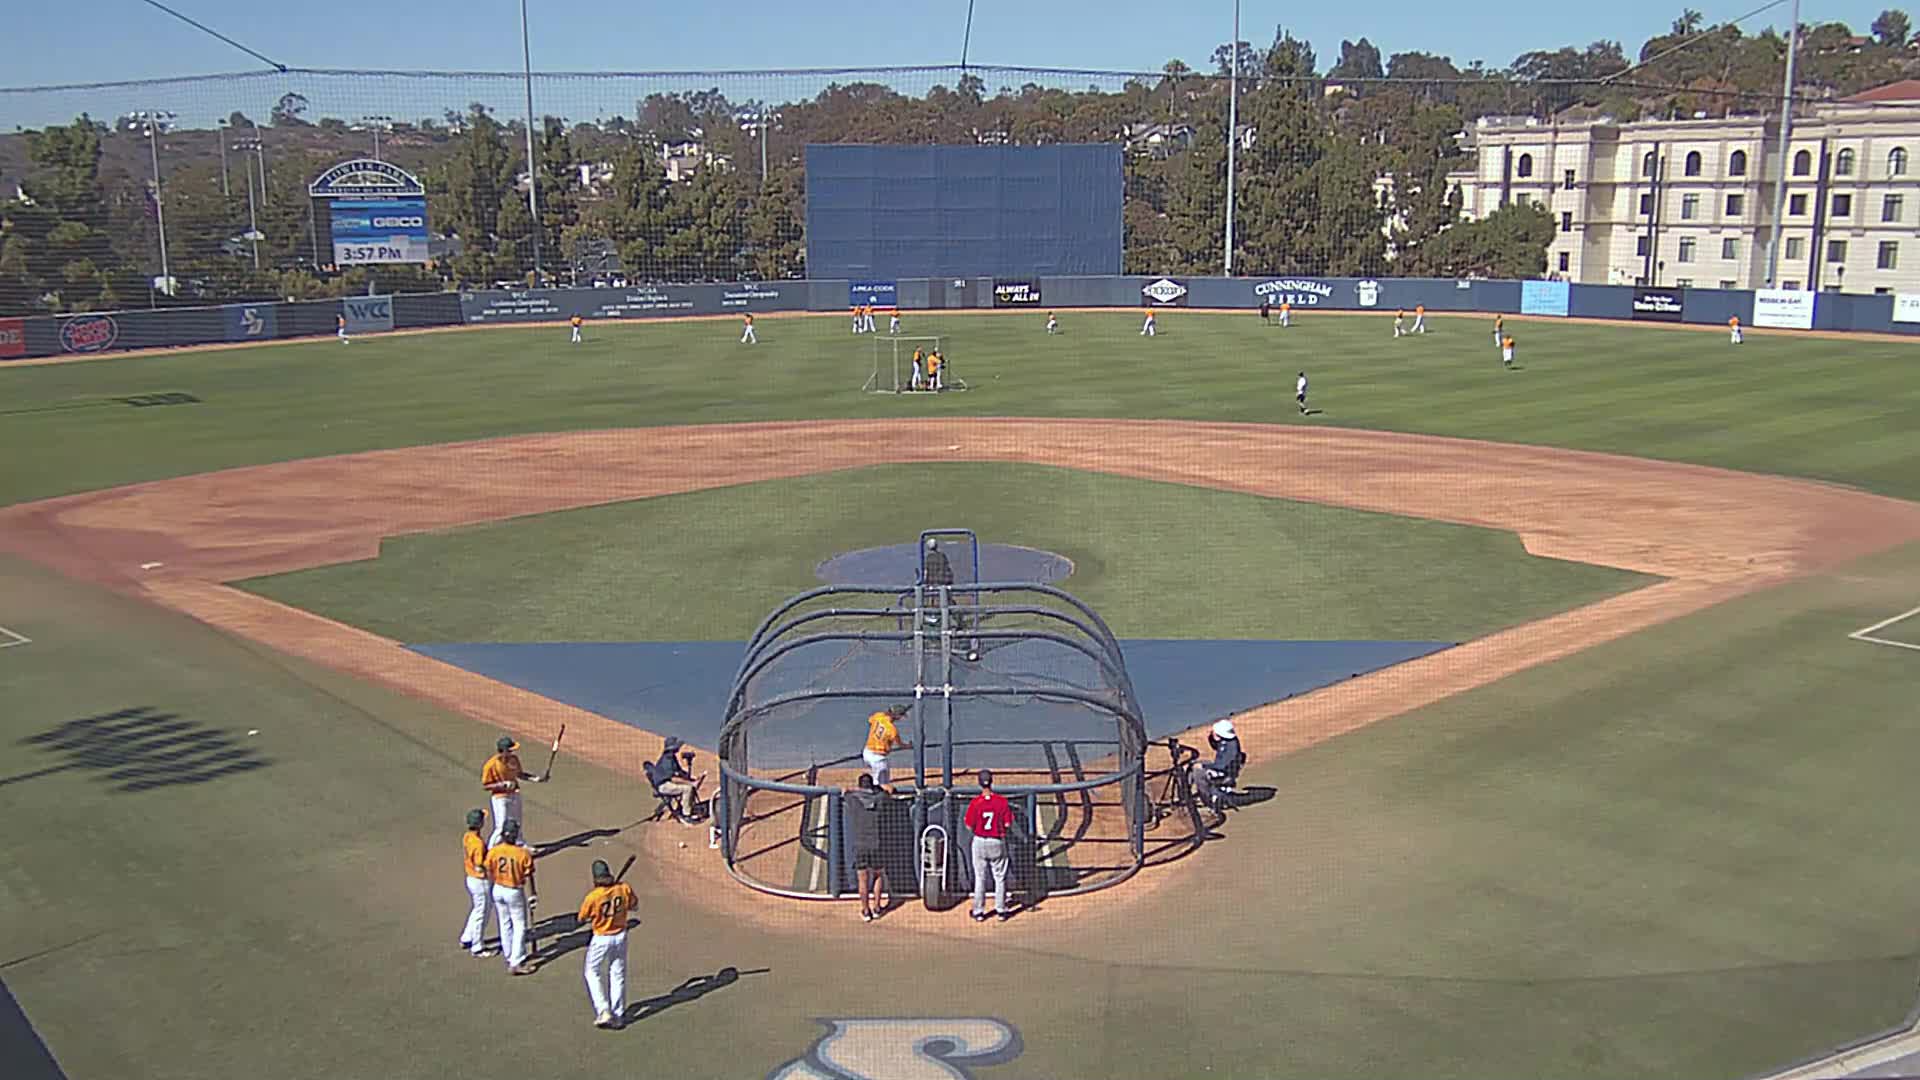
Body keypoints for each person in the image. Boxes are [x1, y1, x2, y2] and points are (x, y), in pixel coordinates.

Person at [577, 859, 637, 1029]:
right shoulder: (624, 888)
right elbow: (634, 905)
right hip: (620, 936)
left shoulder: (593, 896)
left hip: (601, 938)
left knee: (591, 972)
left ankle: (603, 1009)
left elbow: (581, 918)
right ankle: (618, 1015)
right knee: (617, 973)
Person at [489, 819, 537, 975]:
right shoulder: (522, 854)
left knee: (504, 923)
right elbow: (529, 875)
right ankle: (516, 962)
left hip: (497, 888)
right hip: (514, 890)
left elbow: (488, 868)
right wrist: (533, 894)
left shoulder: (494, 851)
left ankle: (509, 954)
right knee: (519, 925)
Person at [965, 769, 1014, 922]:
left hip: (979, 841)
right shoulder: (1001, 802)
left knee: (980, 878)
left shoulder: (976, 803)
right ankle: (1001, 911)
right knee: (1000, 877)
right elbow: (1007, 823)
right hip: (996, 841)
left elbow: (968, 825)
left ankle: (978, 912)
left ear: (979, 783)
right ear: (992, 782)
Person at [482, 735, 546, 847]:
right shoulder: (490, 765)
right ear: (503, 751)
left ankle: (520, 844)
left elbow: (520, 774)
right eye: (510, 750)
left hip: (514, 795)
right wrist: (502, 785)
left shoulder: (514, 759)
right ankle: (490, 850)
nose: (513, 752)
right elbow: (486, 786)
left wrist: (537, 779)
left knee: (517, 823)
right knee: (501, 826)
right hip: (499, 798)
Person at [846, 775, 890, 921]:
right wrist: (881, 788)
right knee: (878, 876)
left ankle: (865, 911)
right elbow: (888, 791)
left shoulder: (853, 799)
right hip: (877, 844)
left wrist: (853, 790)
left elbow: (845, 791)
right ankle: (877, 908)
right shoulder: (879, 799)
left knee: (862, 880)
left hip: (861, 845)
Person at [459, 808, 496, 957]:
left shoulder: (467, 836)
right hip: (480, 881)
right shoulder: (478, 844)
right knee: (482, 912)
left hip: (471, 878)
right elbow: (480, 865)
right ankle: (477, 946)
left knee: (477, 909)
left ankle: (467, 937)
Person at [1189, 718, 1246, 811]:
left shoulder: (1231, 748)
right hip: (1222, 769)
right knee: (1194, 765)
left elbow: (1221, 766)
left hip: (1223, 773)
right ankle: (1186, 794)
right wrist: (1212, 737)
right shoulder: (1227, 741)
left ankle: (1208, 800)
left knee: (1198, 772)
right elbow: (1215, 746)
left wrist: (1204, 767)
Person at [649, 737, 705, 823]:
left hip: (668, 783)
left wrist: (690, 778)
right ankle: (686, 815)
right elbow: (673, 778)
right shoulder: (667, 761)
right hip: (663, 785)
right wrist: (691, 783)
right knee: (687, 789)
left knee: (689, 786)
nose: (678, 748)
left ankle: (688, 806)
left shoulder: (671, 757)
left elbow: (679, 772)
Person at [863, 705, 911, 785]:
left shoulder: (878, 716)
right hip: (878, 759)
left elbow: (870, 720)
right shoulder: (892, 730)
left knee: (877, 776)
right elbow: (900, 745)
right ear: (897, 716)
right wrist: (908, 746)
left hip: (867, 753)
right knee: (881, 784)